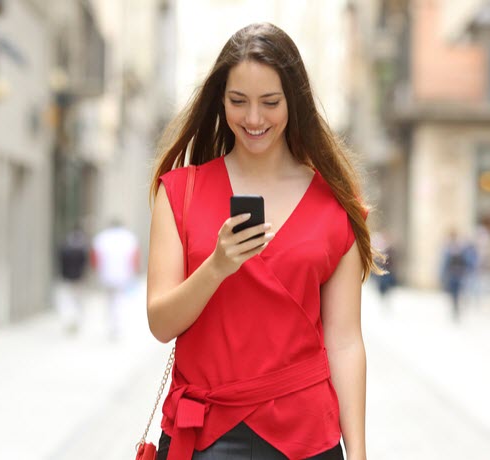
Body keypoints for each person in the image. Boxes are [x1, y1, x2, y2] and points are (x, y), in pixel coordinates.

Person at [146, 23, 378, 460]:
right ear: (221, 100)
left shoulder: (335, 205)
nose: (254, 119)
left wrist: (359, 452)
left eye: (270, 103)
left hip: (307, 436)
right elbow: (160, 324)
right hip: (204, 434)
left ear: (295, 102)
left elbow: (344, 340)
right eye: (239, 102)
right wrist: (217, 266)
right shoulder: (179, 192)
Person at [91, 219, 139, 340]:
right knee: (120, 299)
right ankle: (117, 325)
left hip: (106, 274)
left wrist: (96, 271)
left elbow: (95, 257)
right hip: (124, 274)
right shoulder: (129, 237)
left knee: (109, 299)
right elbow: (135, 256)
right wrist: (134, 271)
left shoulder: (101, 237)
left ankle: (112, 324)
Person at [58, 225, 89, 334]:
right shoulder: (82, 248)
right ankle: (75, 321)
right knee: (77, 301)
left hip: (68, 278)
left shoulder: (66, 246)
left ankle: (71, 321)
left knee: (69, 301)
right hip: (78, 278)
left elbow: (61, 262)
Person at [439, 229, 474, 322]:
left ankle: (459, 308)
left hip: (460, 275)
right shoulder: (448, 249)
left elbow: (468, 261)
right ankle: (455, 309)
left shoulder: (462, 248)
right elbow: (444, 263)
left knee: (460, 293)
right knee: (454, 294)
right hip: (453, 275)